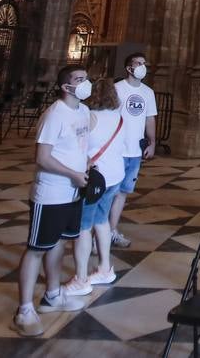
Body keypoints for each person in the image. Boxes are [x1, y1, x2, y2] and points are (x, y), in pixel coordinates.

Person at [12, 66, 91, 337]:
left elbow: (81, 147)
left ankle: (53, 295)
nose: (85, 84)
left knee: (58, 243)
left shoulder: (83, 112)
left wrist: (86, 168)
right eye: (79, 80)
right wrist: (72, 173)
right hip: (51, 193)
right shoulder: (54, 115)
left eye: (86, 79)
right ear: (65, 87)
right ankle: (24, 310)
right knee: (36, 248)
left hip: (73, 191)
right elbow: (42, 158)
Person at [64, 78, 123, 295]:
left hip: (95, 178)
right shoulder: (119, 117)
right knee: (102, 221)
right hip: (115, 177)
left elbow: (76, 146)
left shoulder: (90, 117)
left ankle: (81, 279)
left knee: (83, 227)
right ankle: (105, 268)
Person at [108, 52, 157, 249]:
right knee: (108, 193)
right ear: (129, 68)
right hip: (115, 150)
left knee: (122, 193)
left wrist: (152, 142)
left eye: (145, 63)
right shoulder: (116, 89)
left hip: (135, 152)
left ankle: (112, 231)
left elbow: (150, 118)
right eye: (139, 63)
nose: (143, 67)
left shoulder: (148, 92)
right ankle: (98, 235)